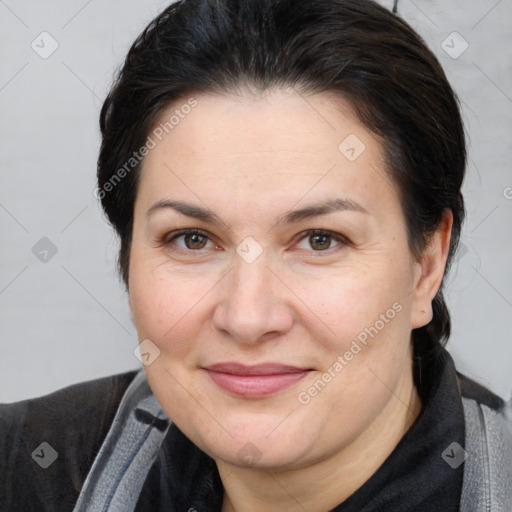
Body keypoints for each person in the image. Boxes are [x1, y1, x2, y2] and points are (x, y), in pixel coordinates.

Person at [1, 0, 511, 510]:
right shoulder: (25, 472)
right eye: (192, 239)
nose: (247, 318)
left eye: (320, 240)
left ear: (426, 265)